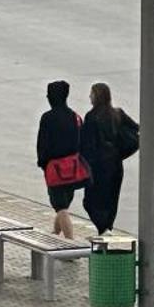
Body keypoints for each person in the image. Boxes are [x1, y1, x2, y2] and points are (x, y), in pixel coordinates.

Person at [78, 82, 141, 237]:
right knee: (111, 199)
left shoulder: (91, 117)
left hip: (98, 166)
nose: (89, 97)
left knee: (90, 201)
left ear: (96, 97)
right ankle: (107, 229)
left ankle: (103, 229)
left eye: (91, 94)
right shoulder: (117, 114)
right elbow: (136, 128)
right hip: (115, 165)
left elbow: (87, 144)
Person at [35, 80, 89, 239]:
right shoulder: (75, 117)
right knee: (63, 204)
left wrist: (43, 164)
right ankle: (55, 233)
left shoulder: (47, 118)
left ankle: (69, 244)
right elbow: (83, 142)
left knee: (60, 207)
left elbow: (42, 144)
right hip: (72, 168)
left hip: (55, 169)